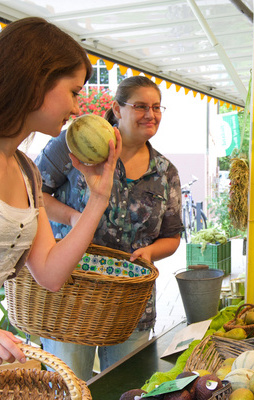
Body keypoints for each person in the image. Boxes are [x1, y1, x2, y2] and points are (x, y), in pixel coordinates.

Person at [35, 76, 183, 380]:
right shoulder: (73, 143)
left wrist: (151, 251)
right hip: (71, 295)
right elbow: (33, 193)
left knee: (125, 387)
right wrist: (74, 219)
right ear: (116, 108)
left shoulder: (166, 172)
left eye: (156, 107)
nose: (150, 115)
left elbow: (172, 237)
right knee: (70, 388)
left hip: (130, 305)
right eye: (140, 106)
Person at [0, 17, 121, 365]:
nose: (77, 108)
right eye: (74, 91)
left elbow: (50, 274)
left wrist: (98, 197)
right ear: (37, 79)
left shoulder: (27, 172)